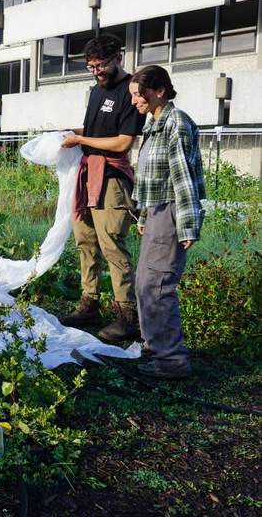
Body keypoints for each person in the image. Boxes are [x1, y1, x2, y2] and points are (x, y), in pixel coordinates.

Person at [59, 34, 146, 341]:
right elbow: (95, 131)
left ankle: (126, 316)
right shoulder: (97, 91)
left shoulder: (132, 91)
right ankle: (89, 302)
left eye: (101, 66)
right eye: (91, 66)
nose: (96, 72)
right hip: (87, 175)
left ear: (118, 58)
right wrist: (70, 133)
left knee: (111, 244)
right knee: (85, 240)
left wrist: (80, 140)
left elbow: (123, 141)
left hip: (111, 178)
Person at [129, 65, 205, 379]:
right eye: (132, 95)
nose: (134, 101)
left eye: (139, 94)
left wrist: (188, 224)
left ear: (159, 90)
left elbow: (183, 178)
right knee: (144, 285)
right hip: (157, 210)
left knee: (158, 287)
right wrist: (144, 214)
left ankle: (172, 362)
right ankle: (154, 348)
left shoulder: (177, 123)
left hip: (172, 211)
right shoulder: (154, 123)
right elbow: (151, 178)